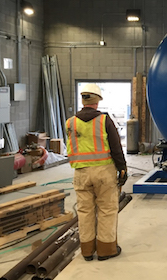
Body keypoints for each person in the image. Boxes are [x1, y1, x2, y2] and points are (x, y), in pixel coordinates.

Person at [66, 83, 128, 261]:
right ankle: (106, 249)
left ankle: (87, 250)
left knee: (85, 211)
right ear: (98, 101)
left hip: (80, 173)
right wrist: (122, 168)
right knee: (107, 209)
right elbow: (116, 147)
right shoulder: (104, 120)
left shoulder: (70, 123)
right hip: (103, 172)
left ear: (83, 100)